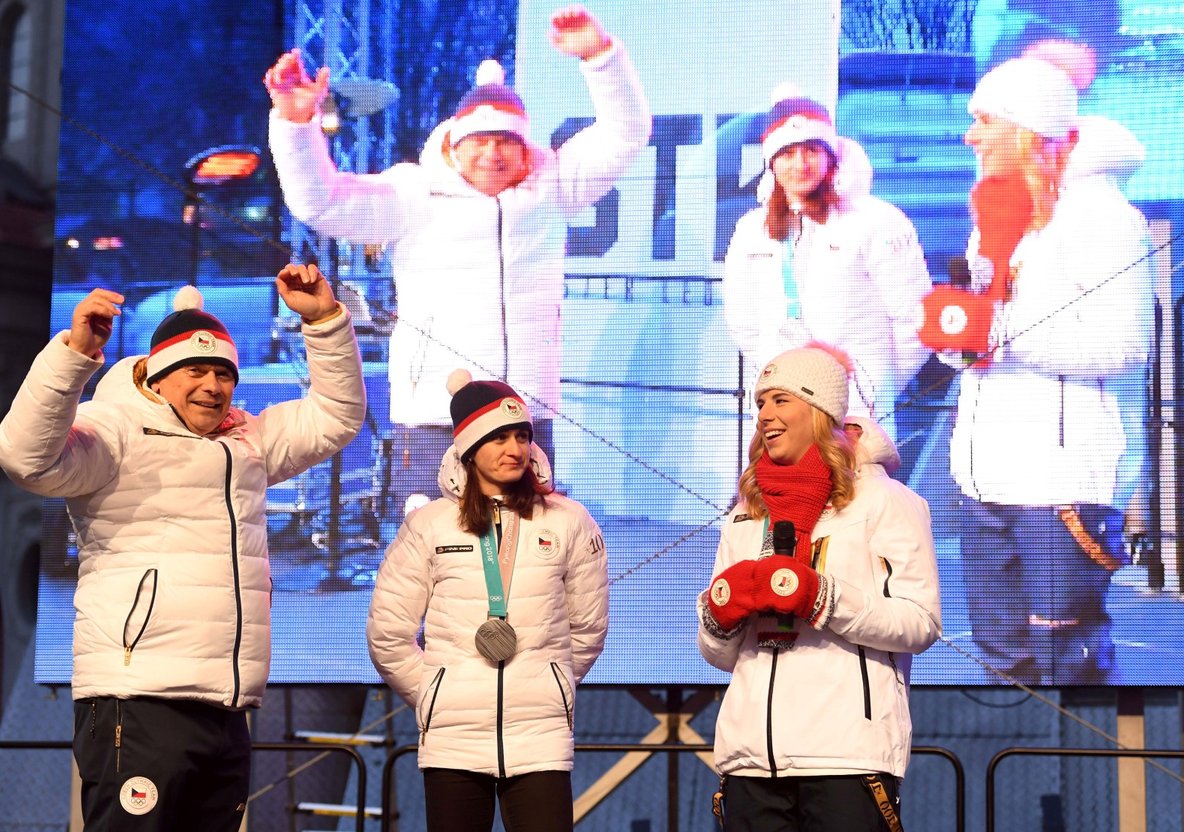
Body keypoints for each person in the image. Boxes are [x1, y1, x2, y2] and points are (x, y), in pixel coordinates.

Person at [0, 264, 366, 830]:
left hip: (225, 706)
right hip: (138, 699)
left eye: (224, 373)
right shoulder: (113, 429)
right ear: (158, 375)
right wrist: (72, 355)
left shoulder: (248, 440)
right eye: (196, 370)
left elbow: (337, 417)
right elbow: (23, 457)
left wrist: (325, 322)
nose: (213, 386)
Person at [265, 5, 651, 513]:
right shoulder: (415, 192)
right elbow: (321, 200)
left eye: (506, 142)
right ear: (453, 144)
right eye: (480, 142)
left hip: (523, 411)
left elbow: (626, 132)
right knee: (437, 559)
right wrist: (296, 122)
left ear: (525, 146)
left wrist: (600, 57)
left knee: (527, 557)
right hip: (435, 414)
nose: (493, 154)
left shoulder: (553, 187)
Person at [930, 50, 1153, 683]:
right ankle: (1019, 776)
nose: (971, 136)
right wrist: (956, 336)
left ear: (1027, 128)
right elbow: (985, 327)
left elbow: (1120, 344)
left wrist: (1000, 333)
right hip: (983, 478)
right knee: (1005, 659)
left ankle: (1083, 780)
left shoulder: (1102, 217)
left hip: (1060, 486)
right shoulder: (998, 213)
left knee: (1067, 661)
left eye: (985, 122)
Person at [697, 344, 940, 831]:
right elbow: (720, 655)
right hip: (749, 759)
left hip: (845, 758)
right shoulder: (747, 513)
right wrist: (720, 617)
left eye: (780, 400)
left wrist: (822, 598)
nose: (764, 414)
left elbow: (921, 622)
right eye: (761, 403)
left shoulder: (885, 501)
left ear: (820, 410)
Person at [365, 370, 608, 832]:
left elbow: (588, 628)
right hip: (453, 737)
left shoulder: (570, 522)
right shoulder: (429, 526)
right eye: (498, 437)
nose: (514, 449)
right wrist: (437, 691)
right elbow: (388, 633)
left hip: (540, 737)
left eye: (521, 436)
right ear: (469, 448)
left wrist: (548, 681)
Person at [721, 87, 932, 435]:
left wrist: (872, 385)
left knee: (857, 490)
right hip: (784, 403)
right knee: (786, 490)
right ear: (771, 161)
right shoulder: (750, 229)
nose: (800, 164)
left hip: (857, 409)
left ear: (832, 156)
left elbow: (914, 317)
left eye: (811, 151)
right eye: (787, 153)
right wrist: (778, 374)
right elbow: (744, 320)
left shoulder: (877, 220)